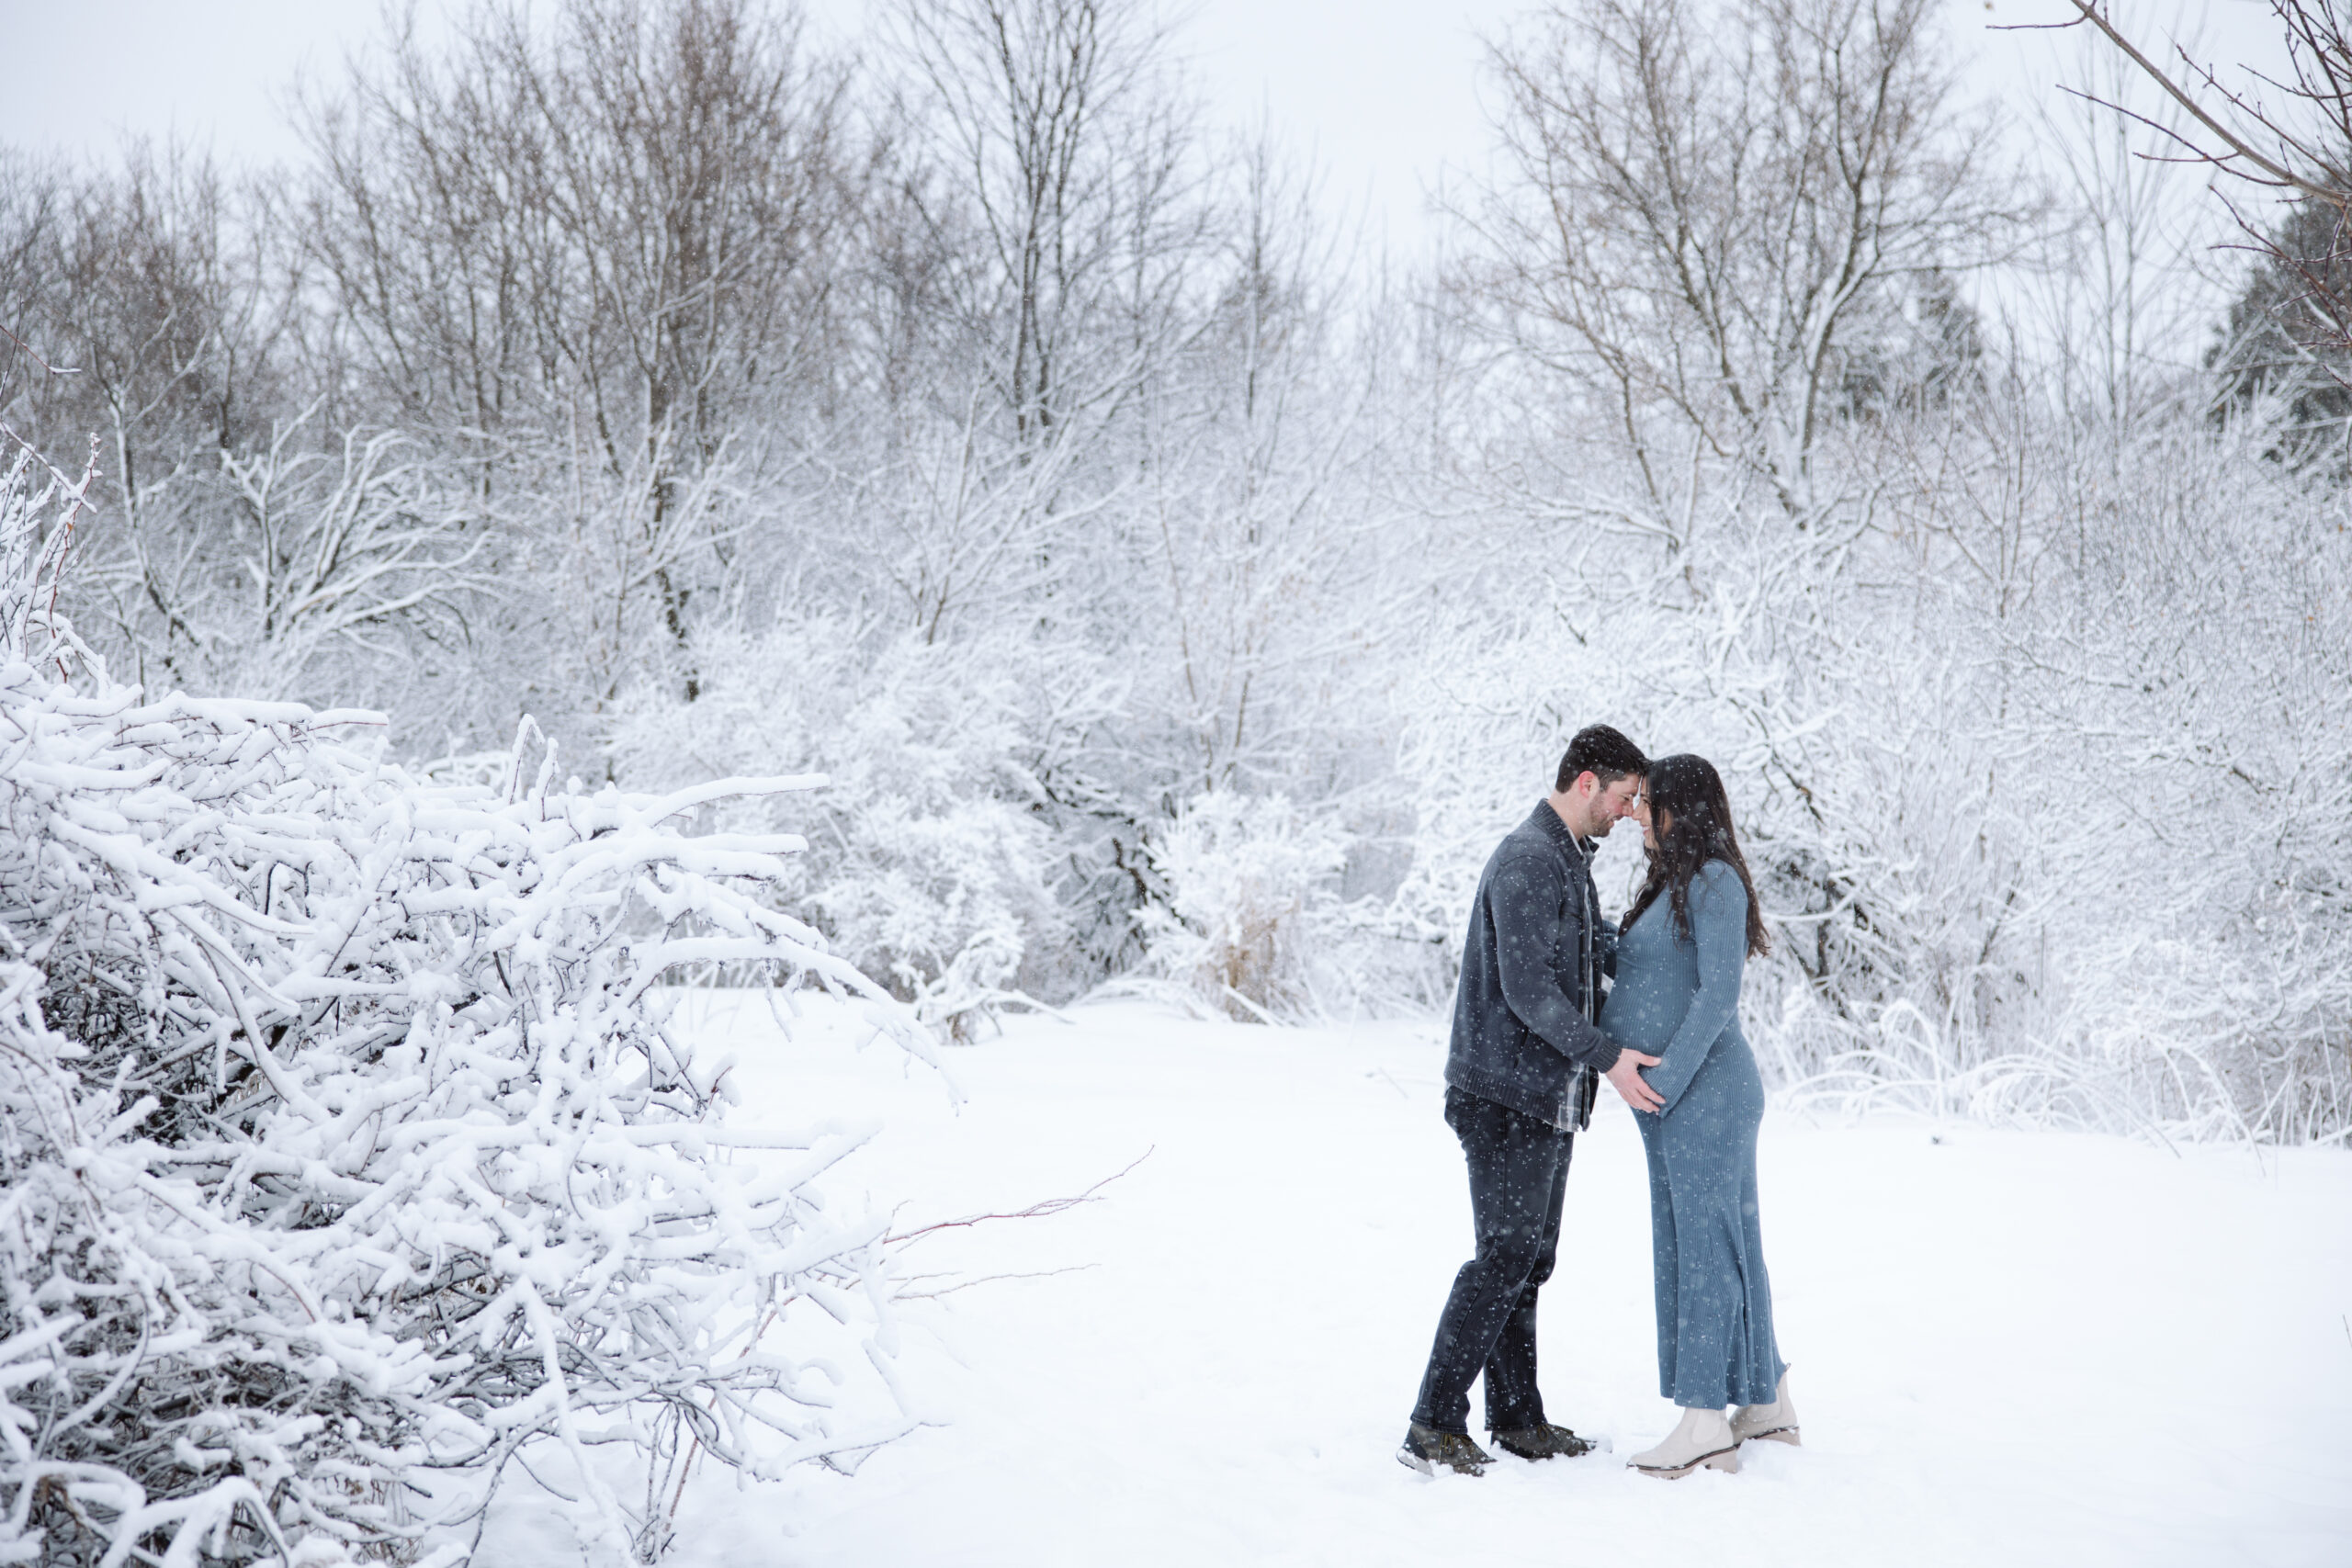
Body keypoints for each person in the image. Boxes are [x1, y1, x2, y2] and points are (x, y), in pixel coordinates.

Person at [1398, 725, 1662, 1477]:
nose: (1624, 811)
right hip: (1503, 1092)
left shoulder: (1568, 861)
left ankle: (1517, 1418)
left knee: (1529, 1259)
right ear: (1587, 782)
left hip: (1541, 1095)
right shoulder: (1528, 860)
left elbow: (1590, 957)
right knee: (1504, 1256)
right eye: (1622, 796)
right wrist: (1609, 1058)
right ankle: (1432, 1421)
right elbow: (1528, 991)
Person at [1600, 752, 1796, 1479]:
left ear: (1683, 808)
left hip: (1704, 1093)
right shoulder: (1670, 886)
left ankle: (1705, 1420)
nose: (1638, 814)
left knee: (1702, 1250)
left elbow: (1718, 995)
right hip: (1681, 1098)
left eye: (1648, 801)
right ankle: (1769, 1405)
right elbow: (1653, 973)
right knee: (1727, 1238)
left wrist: (1665, 1081)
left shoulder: (1714, 881)